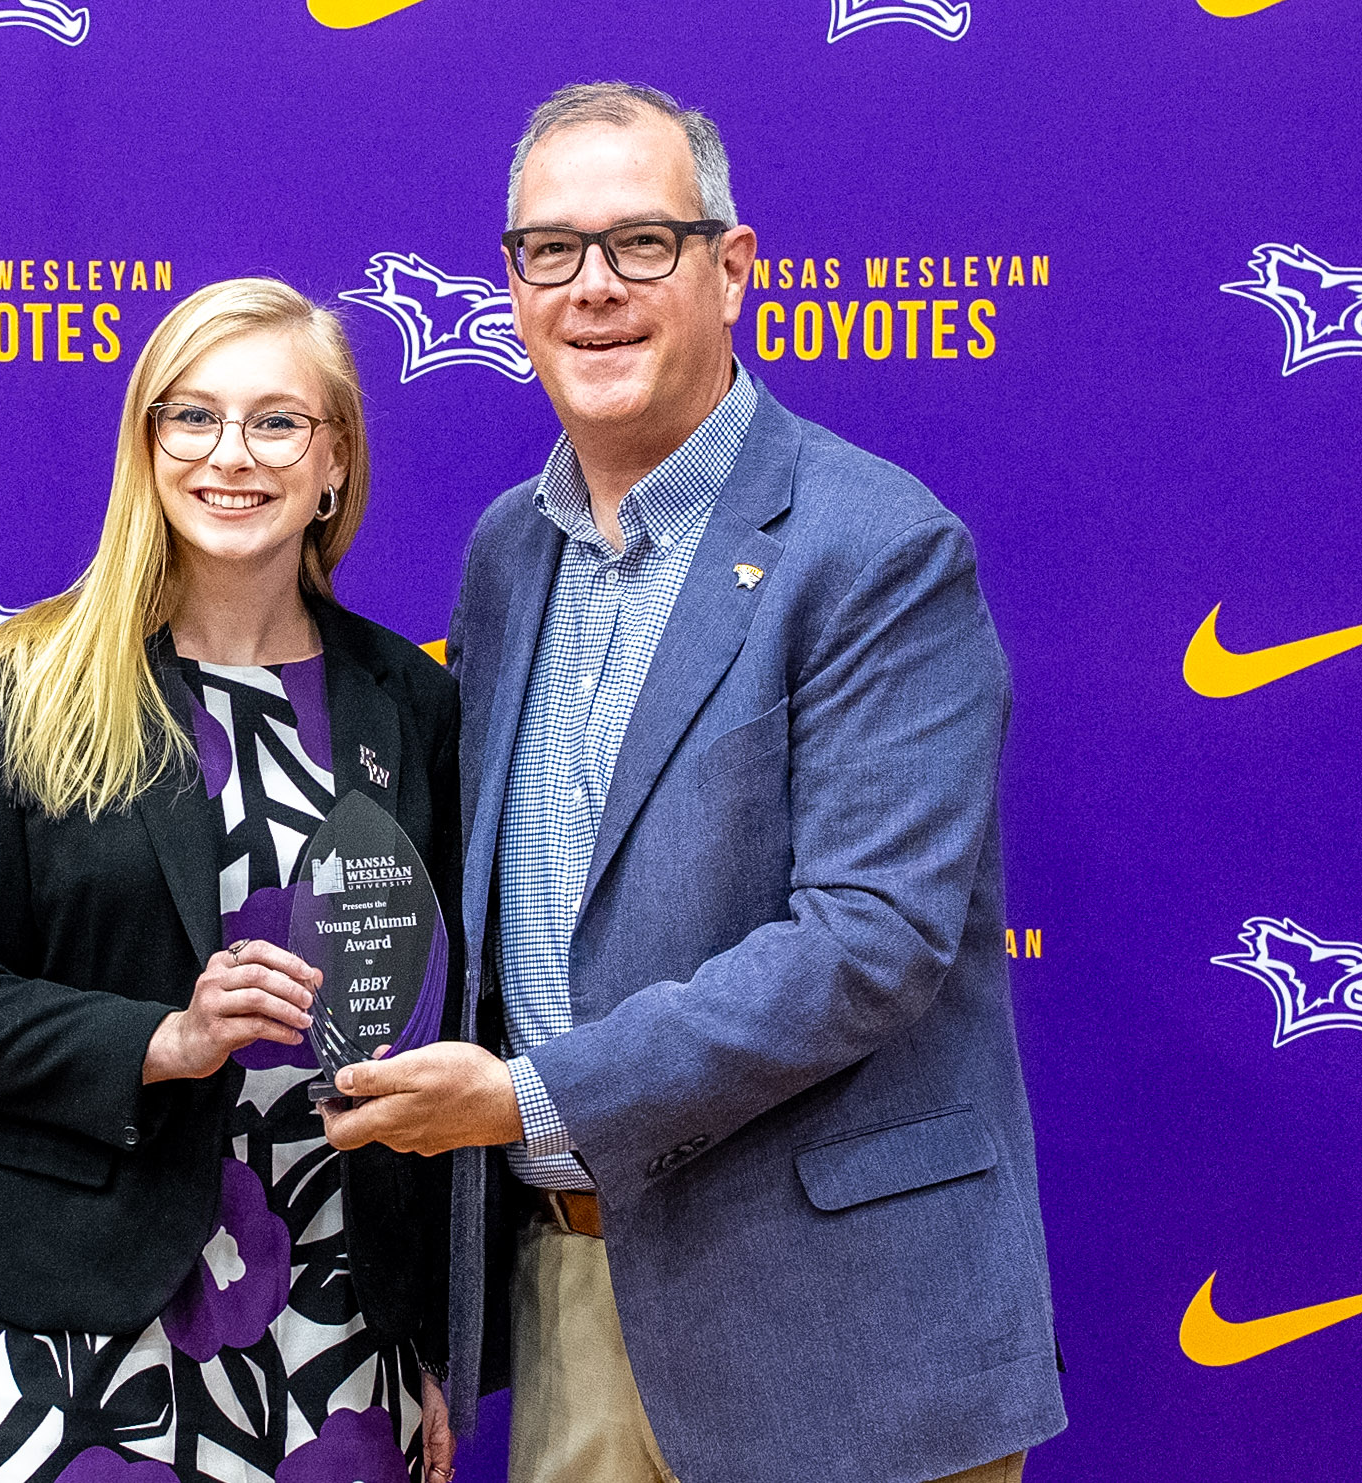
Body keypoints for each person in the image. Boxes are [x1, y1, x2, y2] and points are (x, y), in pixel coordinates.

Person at [321, 84, 1067, 1483]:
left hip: (841, 1333)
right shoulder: (504, 552)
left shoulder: (877, 549)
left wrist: (529, 1096)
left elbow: (870, 941)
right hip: (572, 1298)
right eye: (553, 250)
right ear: (511, 287)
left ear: (732, 269)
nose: (593, 288)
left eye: (642, 244)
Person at [0, 277, 462, 1483]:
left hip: (341, 1318)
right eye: (190, 417)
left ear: (334, 463)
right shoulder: (32, 686)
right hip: (80, 1320)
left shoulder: (412, 704)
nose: (230, 456)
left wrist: (437, 1341)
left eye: (275, 422)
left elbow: (442, 1016)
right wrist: (166, 1036)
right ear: (147, 447)